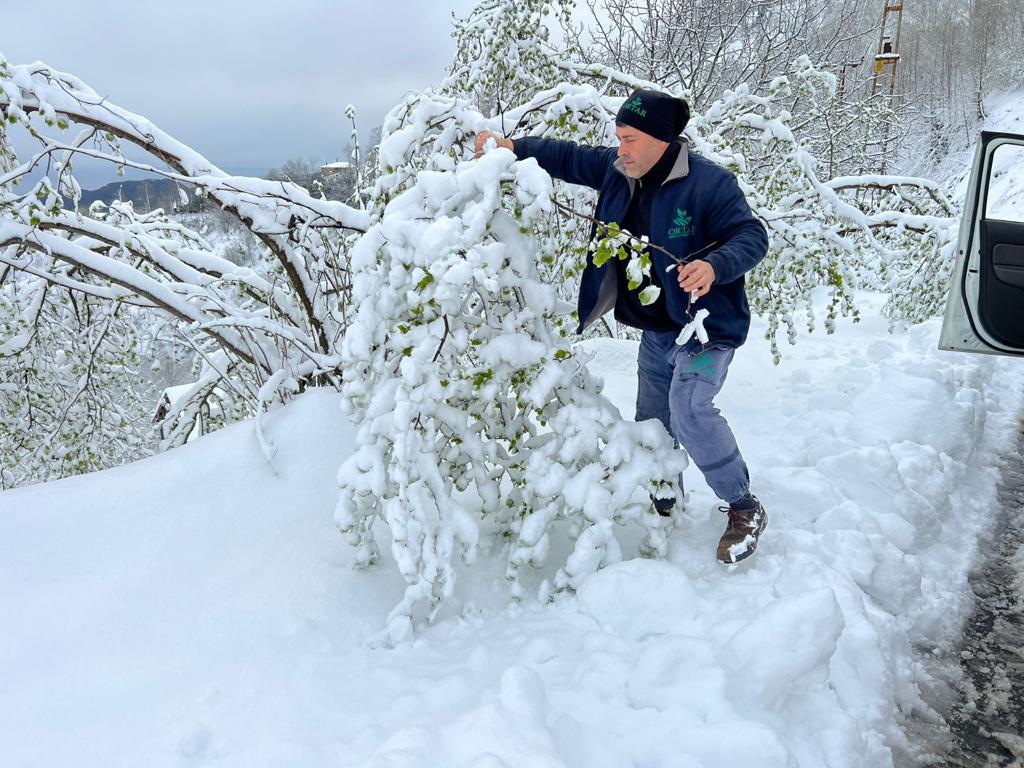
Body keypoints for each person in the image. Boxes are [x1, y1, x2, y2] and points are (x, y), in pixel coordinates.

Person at [474, 89, 769, 564]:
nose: (621, 148)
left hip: (705, 329)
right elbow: (569, 157)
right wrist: (513, 147)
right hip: (657, 330)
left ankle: (743, 505)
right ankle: (665, 501)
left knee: (689, 409)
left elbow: (751, 235)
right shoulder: (618, 170)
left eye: (630, 139)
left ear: (661, 140)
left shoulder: (709, 183)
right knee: (654, 423)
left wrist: (715, 265)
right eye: (618, 138)